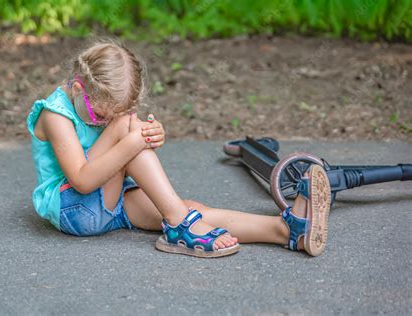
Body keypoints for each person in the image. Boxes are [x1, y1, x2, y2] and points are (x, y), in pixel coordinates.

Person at [26, 40, 331, 258]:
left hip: (109, 198)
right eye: (99, 116)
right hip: (75, 208)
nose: (103, 121)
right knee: (127, 129)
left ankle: (289, 231)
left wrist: (149, 135)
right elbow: (81, 179)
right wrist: (131, 139)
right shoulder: (55, 115)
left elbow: (119, 146)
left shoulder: (95, 103)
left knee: (191, 209)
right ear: (79, 89)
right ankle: (178, 226)